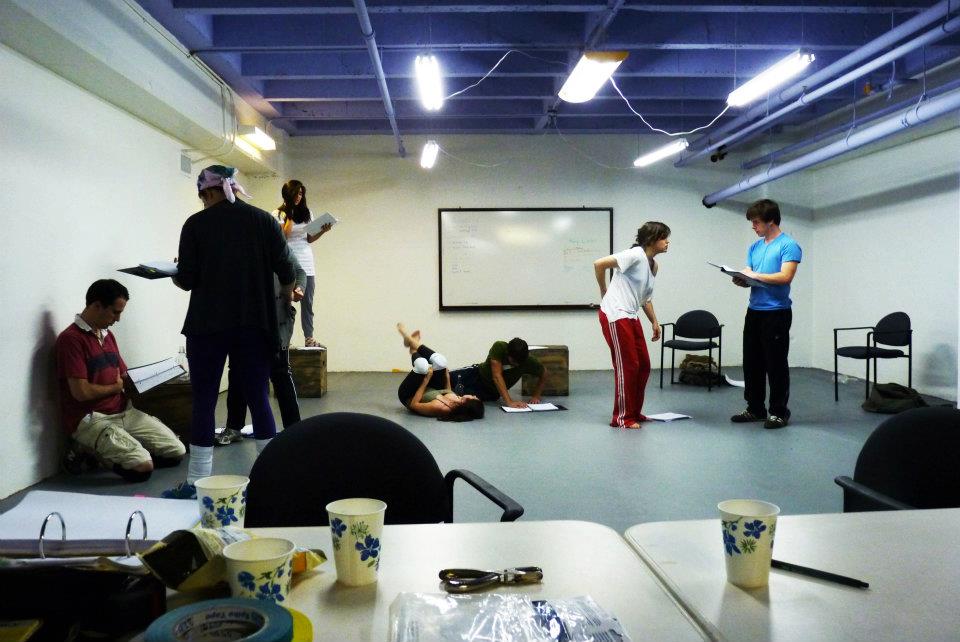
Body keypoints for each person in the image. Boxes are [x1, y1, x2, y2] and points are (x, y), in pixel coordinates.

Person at [165, 165, 297, 498]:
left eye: (203, 197)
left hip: (207, 325)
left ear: (209, 192)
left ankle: (195, 484)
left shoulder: (196, 224)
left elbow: (187, 280)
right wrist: (284, 298)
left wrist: (175, 272)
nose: (204, 203)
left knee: (204, 400)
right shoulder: (264, 221)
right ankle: (271, 482)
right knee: (258, 397)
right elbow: (287, 270)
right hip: (255, 324)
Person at [55, 279, 185, 481]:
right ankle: (86, 448)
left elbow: (123, 376)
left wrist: (158, 376)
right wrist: (115, 388)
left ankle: (120, 447)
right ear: (96, 306)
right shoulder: (70, 339)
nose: (118, 319)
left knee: (177, 451)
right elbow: (81, 392)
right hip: (92, 418)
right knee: (143, 468)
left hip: (124, 411)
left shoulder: (108, 336)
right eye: (115, 312)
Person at [217, 246, 308, 445]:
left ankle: (294, 428)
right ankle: (234, 427)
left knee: (280, 372)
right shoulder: (235, 247)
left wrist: (299, 288)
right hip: (242, 320)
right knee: (237, 372)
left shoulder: (277, 245)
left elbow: (299, 272)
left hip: (277, 319)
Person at [730, 199, 802, 430]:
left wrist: (755, 276)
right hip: (754, 311)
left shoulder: (789, 245)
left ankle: (779, 412)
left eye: (756, 222)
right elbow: (751, 275)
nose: (753, 226)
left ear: (771, 221)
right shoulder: (755, 247)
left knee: (776, 363)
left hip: (777, 313)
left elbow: (785, 276)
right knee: (752, 362)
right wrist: (742, 279)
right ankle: (755, 409)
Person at [593, 221, 670, 429]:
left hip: (631, 315)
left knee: (643, 365)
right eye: (664, 238)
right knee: (628, 366)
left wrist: (654, 321)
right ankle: (622, 417)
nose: (667, 242)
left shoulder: (653, 265)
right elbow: (599, 264)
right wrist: (603, 290)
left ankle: (634, 412)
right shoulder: (635, 254)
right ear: (652, 239)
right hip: (615, 313)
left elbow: (645, 298)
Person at [275, 179, 331, 348]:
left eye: (301, 194)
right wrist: (290, 214)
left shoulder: (307, 213)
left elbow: (309, 238)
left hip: (306, 261)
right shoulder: (278, 213)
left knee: (308, 303)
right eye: (296, 193)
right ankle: (285, 339)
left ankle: (309, 337)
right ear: (288, 194)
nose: (299, 197)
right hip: (287, 261)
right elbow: (283, 237)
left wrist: (323, 230)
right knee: (285, 302)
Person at [395, 324, 485, 421]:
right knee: (441, 362)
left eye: (474, 397)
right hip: (430, 388)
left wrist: (426, 380)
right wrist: (447, 377)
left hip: (409, 394)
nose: (474, 395)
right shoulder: (458, 401)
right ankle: (412, 342)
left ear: (467, 403)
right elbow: (448, 391)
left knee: (422, 366)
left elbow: (414, 405)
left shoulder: (441, 407)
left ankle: (412, 346)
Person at [450, 338, 546, 409]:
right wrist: (509, 402)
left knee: (457, 395)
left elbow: (544, 374)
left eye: (519, 362)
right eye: (513, 361)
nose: (516, 364)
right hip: (476, 374)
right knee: (445, 378)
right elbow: (497, 376)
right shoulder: (499, 347)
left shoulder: (529, 361)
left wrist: (536, 395)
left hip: (490, 392)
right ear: (507, 352)